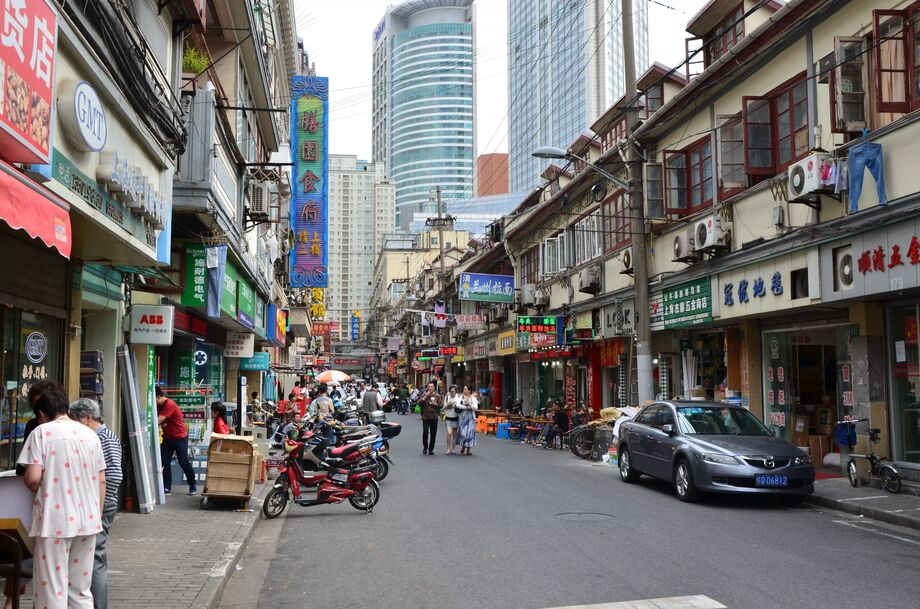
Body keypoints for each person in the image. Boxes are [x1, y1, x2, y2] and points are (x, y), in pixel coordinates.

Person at [17, 383, 106, 609]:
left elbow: (33, 478)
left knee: (52, 589)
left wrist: (32, 480)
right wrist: (97, 514)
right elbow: (102, 479)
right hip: (88, 521)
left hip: (54, 522)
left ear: (41, 414)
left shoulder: (41, 433)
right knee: (80, 590)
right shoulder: (91, 435)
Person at [69, 398, 122, 609]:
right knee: (95, 558)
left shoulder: (104, 438)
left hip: (101, 504)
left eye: (76, 421)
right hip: (97, 503)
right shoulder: (95, 437)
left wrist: (100, 505)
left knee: (96, 559)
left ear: (89, 418)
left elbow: (115, 475)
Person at [155, 386, 197, 495]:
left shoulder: (169, 404)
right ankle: (166, 487)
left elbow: (158, 420)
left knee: (183, 461)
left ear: (158, 397)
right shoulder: (157, 405)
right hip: (168, 438)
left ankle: (192, 484)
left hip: (180, 438)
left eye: (153, 399)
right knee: (164, 462)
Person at [419, 382, 442, 455]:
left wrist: (436, 404)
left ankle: (431, 449)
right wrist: (425, 397)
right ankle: (425, 447)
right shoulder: (424, 394)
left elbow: (441, 405)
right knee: (425, 432)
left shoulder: (437, 396)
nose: (430, 388)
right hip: (425, 417)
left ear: (434, 388)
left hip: (434, 417)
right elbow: (418, 403)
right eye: (428, 386)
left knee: (433, 434)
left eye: (431, 387)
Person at [456, 385, 479, 455]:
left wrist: (470, 406)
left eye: (465, 389)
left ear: (469, 390)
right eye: (464, 389)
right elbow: (457, 405)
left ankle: (468, 449)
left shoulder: (474, 398)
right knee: (463, 433)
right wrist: (466, 407)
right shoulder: (461, 397)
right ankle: (463, 446)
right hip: (463, 417)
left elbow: (476, 408)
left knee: (470, 433)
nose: (464, 390)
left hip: (471, 418)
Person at [442, 386, 462, 455]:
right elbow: (443, 408)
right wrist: (448, 404)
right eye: (451, 391)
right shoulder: (447, 397)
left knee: (455, 434)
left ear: (456, 391)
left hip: (456, 417)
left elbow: (461, 406)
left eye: (453, 391)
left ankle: (452, 449)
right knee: (449, 433)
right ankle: (448, 449)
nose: (452, 393)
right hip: (448, 416)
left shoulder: (459, 397)